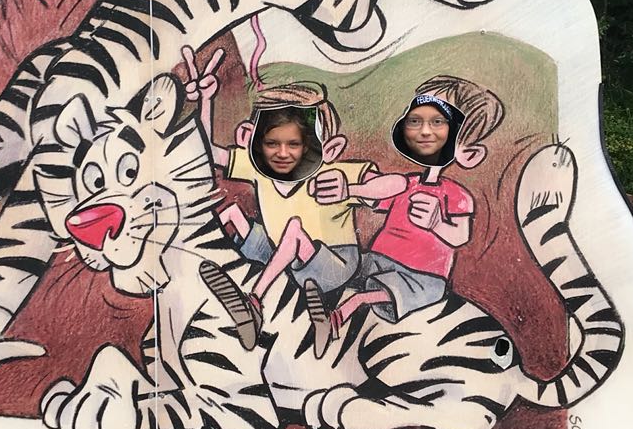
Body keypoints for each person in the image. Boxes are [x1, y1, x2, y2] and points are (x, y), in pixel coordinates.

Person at [181, 50, 372, 346]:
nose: (282, 154)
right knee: (229, 214)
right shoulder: (261, 169)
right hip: (280, 250)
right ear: (249, 138)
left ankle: (254, 302)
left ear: (329, 149)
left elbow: (393, 186)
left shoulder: (335, 174)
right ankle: (212, 282)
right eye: (271, 143)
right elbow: (207, 153)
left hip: (334, 265)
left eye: (296, 144)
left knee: (294, 229)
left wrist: (353, 190)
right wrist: (206, 101)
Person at [313, 76, 505, 355]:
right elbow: (378, 190)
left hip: (421, 275)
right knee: (345, 267)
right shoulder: (407, 183)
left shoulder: (457, 195)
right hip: (378, 259)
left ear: (469, 154)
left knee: (384, 291)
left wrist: (437, 223)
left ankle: (340, 315)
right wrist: (350, 190)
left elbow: (460, 236)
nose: (423, 132)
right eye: (415, 120)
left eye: (438, 123)